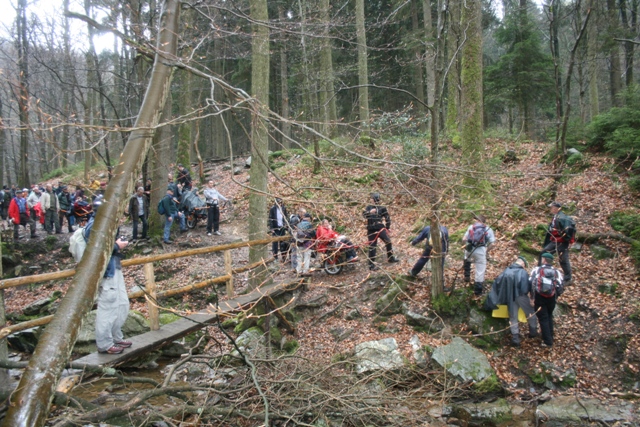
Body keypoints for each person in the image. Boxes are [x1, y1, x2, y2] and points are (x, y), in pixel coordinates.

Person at [84, 200, 132, 354]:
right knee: (108, 307)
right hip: (105, 272)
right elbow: (97, 249)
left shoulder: (107, 224)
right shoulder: (94, 227)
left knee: (121, 303)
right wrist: (117, 246)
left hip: (114, 267)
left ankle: (116, 336)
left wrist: (118, 245)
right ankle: (105, 343)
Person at [488, 256, 538, 347]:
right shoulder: (523, 272)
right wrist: (530, 297)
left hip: (509, 297)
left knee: (513, 317)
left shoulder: (506, 271)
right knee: (530, 312)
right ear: (522, 264)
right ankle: (533, 332)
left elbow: (498, 283)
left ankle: (515, 338)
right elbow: (526, 287)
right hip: (521, 296)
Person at [529, 252, 564, 348]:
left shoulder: (537, 270)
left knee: (543, 318)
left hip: (539, 297)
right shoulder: (556, 272)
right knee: (549, 316)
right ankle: (550, 335)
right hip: (551, 298)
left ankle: (548, 341)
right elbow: (560, 286)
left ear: (544, 260)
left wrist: (532, 297)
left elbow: (531, 282)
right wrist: (555, 296)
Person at [363, 192, 398, 271]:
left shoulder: (382, 208)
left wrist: (387, 227)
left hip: (380, 228)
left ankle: (390, 258)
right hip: (371, 229)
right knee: (372, 246)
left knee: (388, 242)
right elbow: (364, 215)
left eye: (372, 198)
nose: (371, 200)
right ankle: (371, 265)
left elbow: (387, 217)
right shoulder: (368, 207)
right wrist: (370, 212)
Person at [541, 201, 574, 284]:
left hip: (561, 242)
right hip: (554, 241)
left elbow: (566, 231)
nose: (550, 209)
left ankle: (568, 278)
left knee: (563, 259)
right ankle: (542, 270)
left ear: (556, 208)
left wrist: (564, 239)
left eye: (551, 207)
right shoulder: (556, 216)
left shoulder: (562, 218)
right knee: (545, 253)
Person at [463, 214, 496, 296]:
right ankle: (477, 291)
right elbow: (493, 244)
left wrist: (466, 246)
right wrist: (487, 250)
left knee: (466, 258)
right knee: (480, 269)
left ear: (478, 220)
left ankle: (467, 276)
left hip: (470, 249)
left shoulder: (471, 227)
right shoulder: (488, 229)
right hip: (481, 250)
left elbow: (464, 239)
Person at [288, 207, 307, 271]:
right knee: (294, 252)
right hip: (294, 238)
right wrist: (294, 239)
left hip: (298, 237)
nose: (304, 214)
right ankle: (294, 267)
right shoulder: (295, 219)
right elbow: (292, 229)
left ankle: (297, 267)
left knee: (297, 252)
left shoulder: (300, 219)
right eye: (304, 213)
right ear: (300, 212)